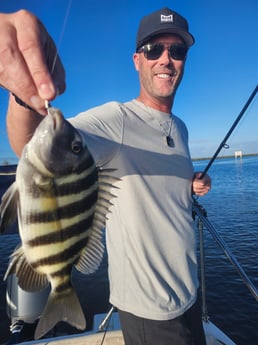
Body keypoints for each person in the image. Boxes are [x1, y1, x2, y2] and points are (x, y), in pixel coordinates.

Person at [1, 7, 211, 345]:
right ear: (137, 60)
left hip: (188, 293)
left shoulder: (181, 128)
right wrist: (23, 95)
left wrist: (191, 182)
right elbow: (33, 144)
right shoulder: (117, 120)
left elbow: (160, 183)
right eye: (154, 49)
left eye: (177, 50)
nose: (166, 60)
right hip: (150, 310)